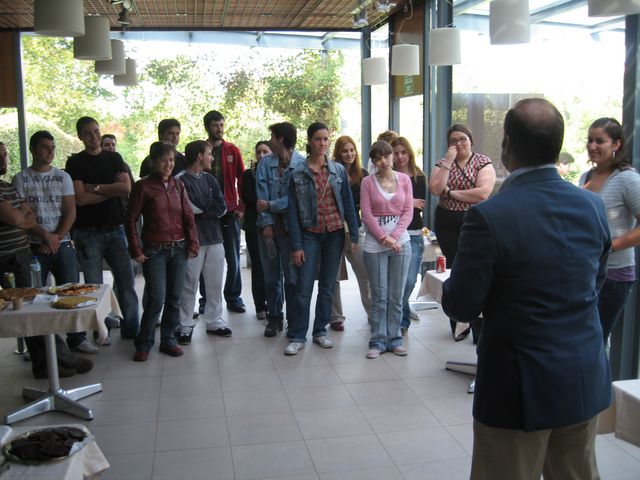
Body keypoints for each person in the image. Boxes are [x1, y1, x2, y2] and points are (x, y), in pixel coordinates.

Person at [442, 98, 611, 479]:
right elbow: (594, 283)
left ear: (506, 146)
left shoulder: (488, 216)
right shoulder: (592, 207)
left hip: (517, 390)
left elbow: (463, 305)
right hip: (582, 376)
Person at [285, 122, 359, 355]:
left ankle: (320, 331)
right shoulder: (297, 173)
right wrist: (296, 245)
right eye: (318, 139)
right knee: (304, 287)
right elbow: (292, 213)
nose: (323, 143)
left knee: (328, 286)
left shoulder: (337, 170)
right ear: (309, 141)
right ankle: (298, 335)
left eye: (326, 139)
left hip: (335, 235)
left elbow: (347, 204)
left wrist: (354, 235)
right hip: (309, 235)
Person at [12, 131, 89, 351]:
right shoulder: (21, 179)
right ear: (33, 149)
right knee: (35, 297)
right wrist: (44, 235)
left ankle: (78, 339)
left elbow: (70, 211)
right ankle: (41, 345)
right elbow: (23, 216)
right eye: (45, 147)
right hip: (34, 246)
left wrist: (55, 237)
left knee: (72, 292)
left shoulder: (62, 176)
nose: (50, 151)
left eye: (53, 147)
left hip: (62, 243)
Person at [65, 116, 140, 340]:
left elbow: (126, 188)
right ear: (80, 136)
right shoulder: (75, 162)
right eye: (88, 133)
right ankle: (102, 331)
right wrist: (110, 189)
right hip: (87, 232)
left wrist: (95, 188)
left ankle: (132, 329)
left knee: (126, 283)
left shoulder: (114, 157)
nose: (94, 137)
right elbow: (81, 199)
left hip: (116, 228)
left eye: (96, 131)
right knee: (95, 287)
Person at [126, 142, 198, 362]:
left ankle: (168, 340)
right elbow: (130, 220)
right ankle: (144, 342)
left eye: (172, 160)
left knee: (174, 298)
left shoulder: (178, 185)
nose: (168, 164)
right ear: (153, 162)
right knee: (156, 299)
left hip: (179, 249)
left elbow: (188, 216)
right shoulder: (143, 186)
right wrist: (136, 249)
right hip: (154, 251)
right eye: (164, 160)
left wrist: (193, 244)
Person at [428, 124, 496, 342]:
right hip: (446, 221)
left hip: (474, 221)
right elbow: (436, 189)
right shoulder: (442, 163)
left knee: (473, 269)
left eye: (462, 139)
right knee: (454, 268)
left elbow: (483, 193)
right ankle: (457, 320)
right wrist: (448, 162)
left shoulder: (482, 162)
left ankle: (478, 324)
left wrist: (451, 192)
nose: (458, 144)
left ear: (471, 140)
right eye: (453, 140)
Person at [580, 117, 640, 342]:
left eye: (599, 141)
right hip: (587, 272)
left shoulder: (627, 179)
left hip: (615, 276)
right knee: (584, 338)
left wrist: (610, 247)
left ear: (616, 145)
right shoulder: (586, 177)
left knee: (596, 339)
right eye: (589, 140)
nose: (592, 146)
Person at [360, 141, 413, 359]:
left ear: (392, 156)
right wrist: (384, 238)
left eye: (387, 156)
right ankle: (378, 340)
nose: (384, 161)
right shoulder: (367, 182)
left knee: (396, 295)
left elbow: (408, 211)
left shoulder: (405, 180)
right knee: (379, 296)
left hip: (401, 243)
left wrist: (393, 237)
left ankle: (395, 338)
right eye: (378, 158)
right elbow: (366, 213)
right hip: (375, 246)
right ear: (373, 161)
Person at [175, 140, 230, 344]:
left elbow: (222, 207)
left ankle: (215, 320)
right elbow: (189, 209)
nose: (212, 158)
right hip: (192, 240)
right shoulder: (179, 180)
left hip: (215, 238)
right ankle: (184, 324)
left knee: (215, 283)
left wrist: (206, 211)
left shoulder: (210, 179)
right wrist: (209, 210)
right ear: (199, 156)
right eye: (209, 153)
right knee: (188, 284)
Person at [255, 122, 305, 337]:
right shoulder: (265, 164)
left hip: (292, 230)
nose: (270, 141)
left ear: (281, 139)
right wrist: (266, 222)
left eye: (272, 137)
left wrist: (272, 205)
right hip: (268, 229)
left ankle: (294, 321)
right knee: (271, 276)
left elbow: (297, 201)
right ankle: (274, 317)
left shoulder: (302, 164)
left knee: (292, 278)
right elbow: (261, 196)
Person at [203, 110, 246, 313]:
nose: (219, 129)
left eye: (221, 125)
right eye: (215, 125)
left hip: (229, 211)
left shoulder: (232, 150)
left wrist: (240, 207)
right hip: (205, 215)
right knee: (205, 258)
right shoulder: (200, 150)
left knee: (233, 257)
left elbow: (243, 180)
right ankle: (205, 299)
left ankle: (233, 297)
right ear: (207, 127)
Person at [329, 135, 371, 331]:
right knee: (333, 275)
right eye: (345, 150)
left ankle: (373, 314)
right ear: (338, 152)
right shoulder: (330, 172)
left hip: (356, 228)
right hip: (334, 228)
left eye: (352, 150)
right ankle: (336, 317)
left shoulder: (362, 174)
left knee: (365, 273)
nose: (349, 154)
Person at [391, 136, 427, 336]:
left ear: (409, 153)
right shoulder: (387, 176)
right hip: (391, 234)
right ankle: (401, 321)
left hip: (413, 233)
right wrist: (407, 202)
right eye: (396, 153)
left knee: (409, 280)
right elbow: (383, 206)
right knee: (394, 281)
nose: (400, 156)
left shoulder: (418, 176)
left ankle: (399, 317)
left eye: (403, 152)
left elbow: (417, 207)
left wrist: (398, 202)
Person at [241, 141, 271, 322]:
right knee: (258, 266)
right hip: (254, 225)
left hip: (275, 226)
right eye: (258, 152)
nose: (261, 155)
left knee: (275, 267)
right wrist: (267, 204)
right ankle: (260, 305)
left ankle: (275, 303)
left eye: (265, 152)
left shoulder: (277, 172)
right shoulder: (248, 174)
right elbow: (250, 198)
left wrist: (269, 204)